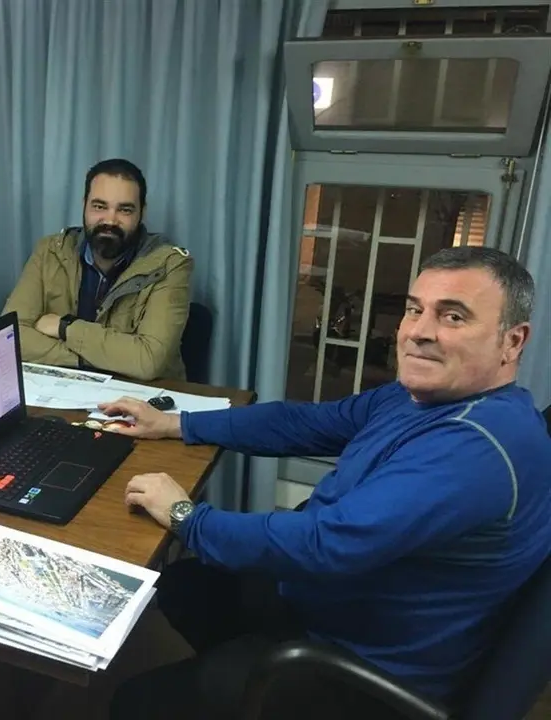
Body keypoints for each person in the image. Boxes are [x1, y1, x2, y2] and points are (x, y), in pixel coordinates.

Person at [101, 246, 551, 719]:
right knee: (185, 587)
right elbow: (305, 423)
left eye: (453, 316)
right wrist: (177, 423)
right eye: (415, 310)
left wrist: (186, 517)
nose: (419, 331)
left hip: (365, 667)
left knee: (136, 703)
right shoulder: (423, 398)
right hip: (338, 597)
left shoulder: (477, 447)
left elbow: (324, 544)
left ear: (512, 341)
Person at [1, 159, 192, 381]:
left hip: (141, 396)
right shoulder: (50, 251)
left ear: (142, 212)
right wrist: (90, 361)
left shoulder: (170, 264)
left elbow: (148, 360)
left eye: (125, 210)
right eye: (99, 207)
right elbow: (8, 338)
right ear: (84, 205)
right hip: (65, 390)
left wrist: (65, 328)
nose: (110, 220)